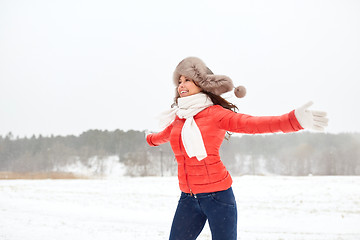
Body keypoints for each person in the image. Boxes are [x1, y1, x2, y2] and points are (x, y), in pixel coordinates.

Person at [145, 57, 328, 240]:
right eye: (179, 81)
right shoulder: (180, 118)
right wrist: (149, 139)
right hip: (188, 198)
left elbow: (254, 124)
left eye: (187, 80)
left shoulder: (216, 114)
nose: (181, 85)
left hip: (217, 197)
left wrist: (293, 120)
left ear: (201, 83)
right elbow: (162, 136)